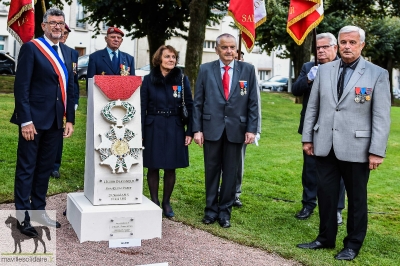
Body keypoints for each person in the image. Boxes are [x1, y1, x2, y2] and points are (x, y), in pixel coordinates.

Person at [297, 26, 391, 261]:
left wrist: (376, 151)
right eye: (343, 42)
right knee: (326, 195)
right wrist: (308, 138)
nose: (347, 46)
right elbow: (313, 107)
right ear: (337, 45)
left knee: (357, 199)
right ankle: (325, 238)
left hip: (357, 148)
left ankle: (352, 244)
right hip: (324, 144)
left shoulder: (377, 74)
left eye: (352, 42)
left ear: (362, 45)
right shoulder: (324, 71)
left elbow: (381, 116)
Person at [10, 8, 75, 237]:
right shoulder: (32, 48)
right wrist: (25, 120)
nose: (58, 26)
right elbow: (21, 87)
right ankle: (22, 217)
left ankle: (38, 211)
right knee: (27, 168)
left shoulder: (67, 53)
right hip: (33, 122)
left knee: (44, 169)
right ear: (44, 26)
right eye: (53, 22)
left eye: (61, 23)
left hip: (57, 121)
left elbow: (70, 88)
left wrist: (70, 119)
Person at [193, 33, 258, 228]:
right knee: (211, 171)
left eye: (232, 47)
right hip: (211, 128)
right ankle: (211, 210)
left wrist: (252, 129)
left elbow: (253, 102)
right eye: (224, 47)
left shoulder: (248, 70)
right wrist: (197, 129)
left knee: (231, 172)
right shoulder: (205, 70)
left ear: (236, 49)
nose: (229, 51)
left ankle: (225, 212)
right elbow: (198, 102)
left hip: (236, 129)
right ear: (217, 49)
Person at [292, 33, 346, 224]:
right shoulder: (309, 67)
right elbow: (295, 90)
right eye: (317, 48)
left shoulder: (345, 66)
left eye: (325, 47)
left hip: (337, 128)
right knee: (310, 169)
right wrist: (308, 78)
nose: (321, 51)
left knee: (338, 170)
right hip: (313, 127)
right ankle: (308, 204)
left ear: (335, 48)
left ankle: (337, 209)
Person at [141, 45, 193, 218]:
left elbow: (190, 106)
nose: (171, 60)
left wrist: (190, 131)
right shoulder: (148, 80)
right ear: (159, 59)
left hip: (175, 126)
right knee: (153, 166)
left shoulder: (181, 80)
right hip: (153, 125)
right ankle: (154, 202)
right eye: (167, 57)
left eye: (174, 57)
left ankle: (166, 202)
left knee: (171, 167)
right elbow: (142, 107)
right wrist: (140, 132)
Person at [51, 23, 80, 179]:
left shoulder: (72, 53)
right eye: (62, 33)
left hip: (64, 100)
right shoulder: (46, 50)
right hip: (49, 99)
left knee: (59, 132)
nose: (63, 36)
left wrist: (74, 101)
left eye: (66, 34)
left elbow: (74, 80)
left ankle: (55, 165)